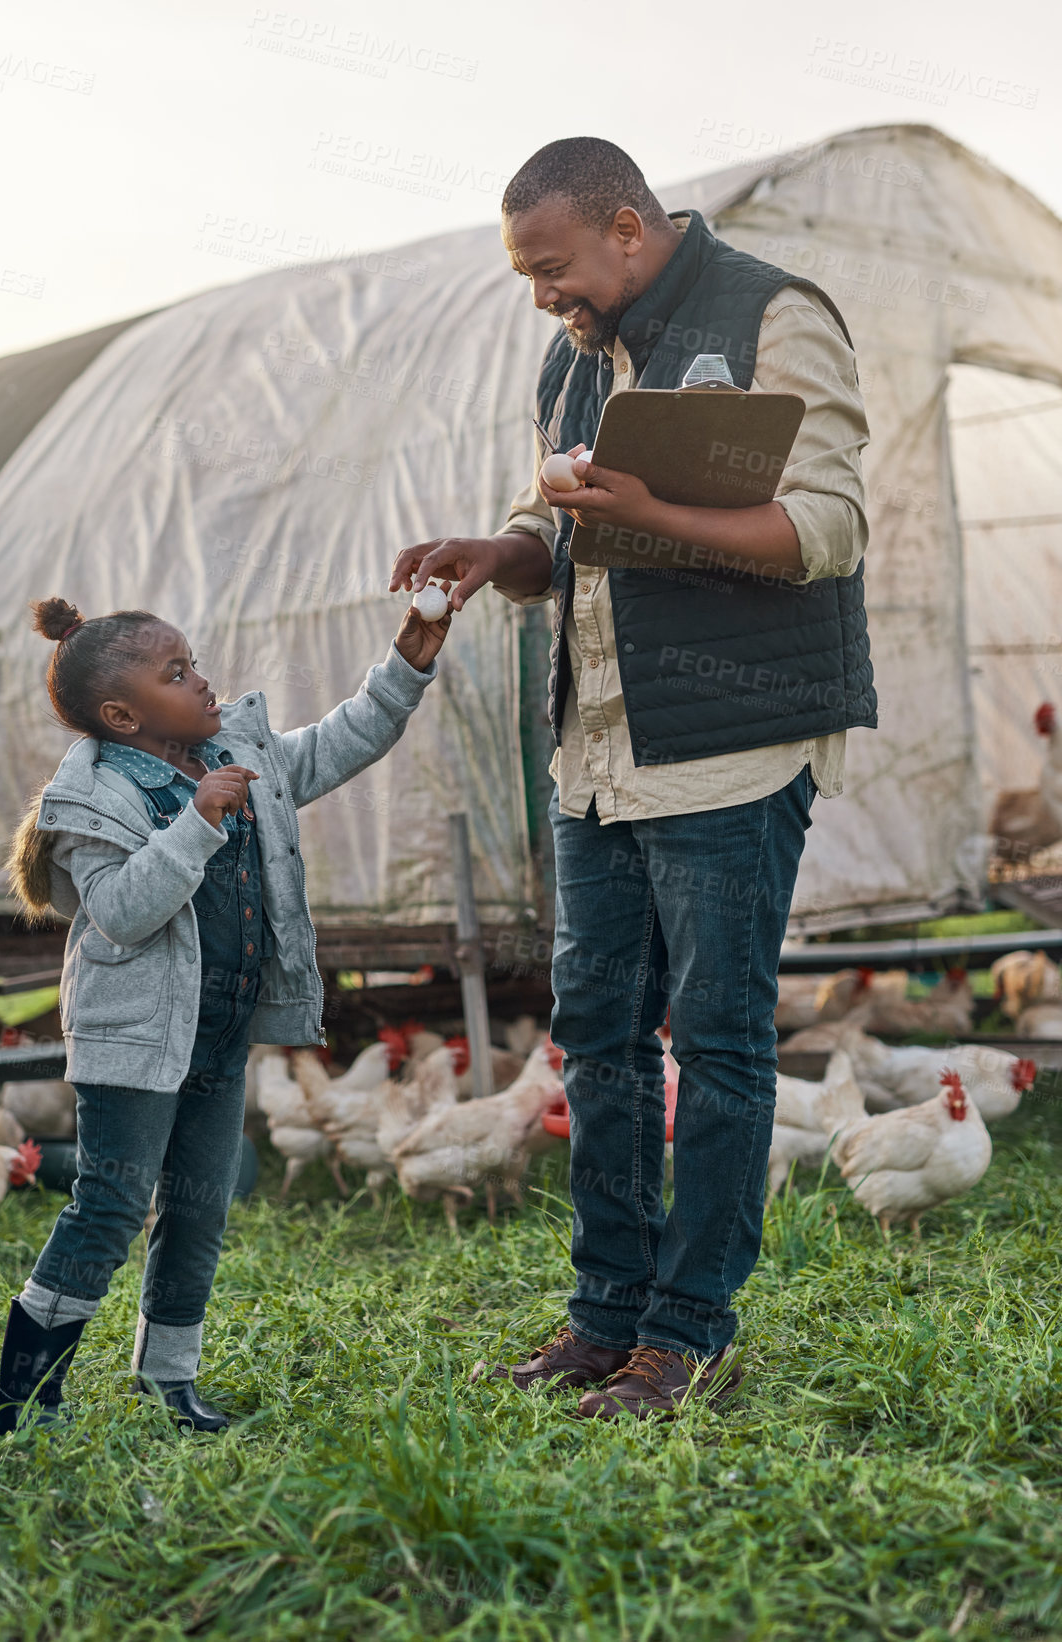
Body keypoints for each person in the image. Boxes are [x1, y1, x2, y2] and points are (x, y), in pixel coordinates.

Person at [390, 136, 876, 1420]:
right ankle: (605, 1315)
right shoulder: (570, 358)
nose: (542, 296)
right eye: (526, 277)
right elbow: (557, 522)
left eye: (551, 268)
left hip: (729, 742)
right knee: (596, 1040)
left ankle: (686, 1331)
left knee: (716, 1046)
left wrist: (649, 514)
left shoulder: (770, 313)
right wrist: (498, 550)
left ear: (622, 226)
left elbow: (828, 527)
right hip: (595, 754)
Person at [0, 592, 449, 1434]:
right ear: (123, 715)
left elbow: (344, 742)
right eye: (178, 673)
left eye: (194, 663)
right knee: (112, 1204)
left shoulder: (236, 751)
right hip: (134, 1038)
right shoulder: (98, 802)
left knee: (199, 1203)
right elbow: (123, 913)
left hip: (220, 1026)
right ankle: (23, 1398)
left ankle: (169, 1382)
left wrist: (408, 660)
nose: (204, 683)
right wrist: (197, 824)